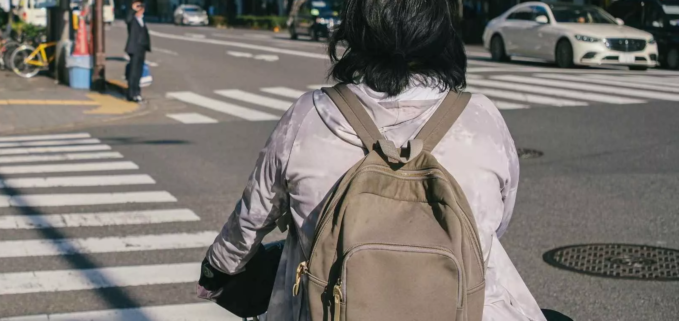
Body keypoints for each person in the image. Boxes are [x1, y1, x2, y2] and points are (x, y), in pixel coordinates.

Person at [197, 0, 547, 319]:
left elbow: (253, 217)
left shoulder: (310, 116)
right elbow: (496, 221)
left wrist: (217, 270)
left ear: (356, 26)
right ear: (439, 28)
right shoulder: (481, 117)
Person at [124, 0, 150, 102]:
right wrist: (132, 10)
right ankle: (131, 94)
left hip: (141, 49)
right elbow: (127, 19)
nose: (141, 10)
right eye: (139, 8)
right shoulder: (132, 20)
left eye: (142, 8)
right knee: (133, 72)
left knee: (139, 72)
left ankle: (137, 93)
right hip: (134, 49)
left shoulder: (142, 20)